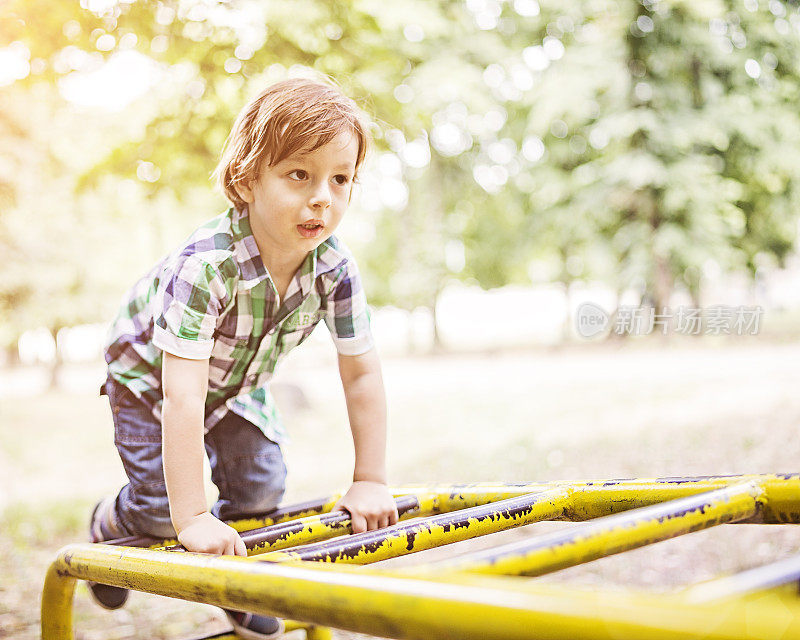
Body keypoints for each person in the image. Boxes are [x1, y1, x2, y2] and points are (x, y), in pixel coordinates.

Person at [89, 77, 399, 639]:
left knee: (260, 486)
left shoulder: (334, 267)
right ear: (248, 178)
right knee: (165, 511)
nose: (322, 197)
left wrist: (371, 479)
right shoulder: (206, 265)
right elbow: (181, 394)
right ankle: (114, 520)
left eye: (340, 178)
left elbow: (361, 374)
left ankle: (238, 587)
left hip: (235, 381)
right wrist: (192, 518)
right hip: (150, 381)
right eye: (298, 174)